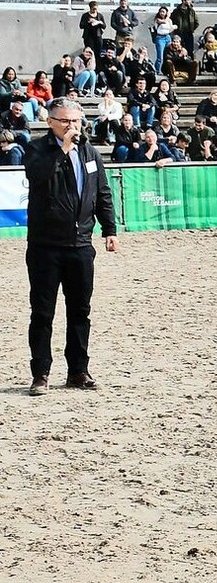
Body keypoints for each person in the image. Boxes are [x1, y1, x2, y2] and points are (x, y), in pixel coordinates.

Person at [23, 98, 118, 396]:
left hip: (80, 246)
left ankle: (78, 370)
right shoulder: (38, 150)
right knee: (43, 312)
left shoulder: (90, 152)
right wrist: (63, 149)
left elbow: (101, 191)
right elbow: (39, 179)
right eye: (65, 121)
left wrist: (109, 229)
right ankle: (40, 373)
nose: (71, 127)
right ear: (51, 122)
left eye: (75, 121)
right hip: (45, 247)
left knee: (80, 311)